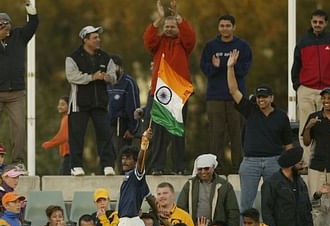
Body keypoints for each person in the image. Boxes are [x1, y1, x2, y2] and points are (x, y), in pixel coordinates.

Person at [227, 49, 293, 215]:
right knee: (246, 206)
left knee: (274, 203)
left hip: (274, 162)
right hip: (250, 163)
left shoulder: (281, 116)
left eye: (264, 97)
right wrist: (230, 68)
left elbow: (288, 144)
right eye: (258, 97)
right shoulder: (250, 110)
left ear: (271, 98)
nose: (261, 100)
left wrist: (290, 167)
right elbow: (234, 91)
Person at [0, 0, 39, 167]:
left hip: (16, 93)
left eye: (6, 23)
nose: (3, 26)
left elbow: (33, 23)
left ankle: (18, 161)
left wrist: (28, 6)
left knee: (18, 128)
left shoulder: (19, 35)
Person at [143, 0, 196, 175]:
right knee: (158, 132)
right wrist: (159, 17)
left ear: (178, 28)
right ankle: (158, 167)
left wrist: (177, 16)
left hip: (179, 93)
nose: (169, 29)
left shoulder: (183, 44)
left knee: (177, 132)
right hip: (160, 92)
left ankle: (179, 167)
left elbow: (191, 37)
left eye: (173, 26)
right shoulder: (158, 43)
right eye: (167, 26)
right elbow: (148, 39)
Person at [292, 9, 330, 166]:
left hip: (329, 90)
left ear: (326, 23)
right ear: (311, 22)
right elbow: (296, 65)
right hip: (306, 89)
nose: (317, 25)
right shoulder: (303, 41)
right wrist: (298, 86)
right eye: (315, 22)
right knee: (306, 126)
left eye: (320, 22)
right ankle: (308, 162)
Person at [200, 14, 252, 174]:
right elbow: (205, 68)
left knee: (237, 134)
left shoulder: (242, 46)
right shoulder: (210, 46)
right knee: (216, 135)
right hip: (215, 97)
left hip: (236, 97)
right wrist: (216, 67)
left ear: (233, 27)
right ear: (218, 28)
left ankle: (239, 168)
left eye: (228, 25)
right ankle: (218, 168)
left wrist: (231, 66)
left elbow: (245, 69)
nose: (225, 28)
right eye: (222, 25)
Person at [65, 25, 117, 176]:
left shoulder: (105, 57)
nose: (98, 40)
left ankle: (107, 165)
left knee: (105, 134)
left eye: (98, 37)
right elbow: (72, 76)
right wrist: (91, 77)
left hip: (100, 102)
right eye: (94, 38)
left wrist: (108, 77)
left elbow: (114, 75)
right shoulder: (73, 57)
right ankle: (75, 166)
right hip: (79, 103)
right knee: (77, 135)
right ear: (85, 40)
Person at [108, 129, 154, 226]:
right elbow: (150, 197)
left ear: (134, 162)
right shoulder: (134, 181)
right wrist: (159, 215)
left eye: (128, 158)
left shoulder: (136, 175)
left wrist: (144, 143)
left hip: (128, 222)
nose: (124, 161)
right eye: (123, 158)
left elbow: (141, 161)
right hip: (136, 224)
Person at [177, 154, 239, 226]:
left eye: (206, 169)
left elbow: (233, 211)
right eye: (200, 169)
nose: (203, 172)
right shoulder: (190, 184)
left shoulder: (224, 185)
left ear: (213, 168)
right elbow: (181, 208)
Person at [302, 86, 330, 200]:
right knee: (315, 202)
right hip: (316, 167)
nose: (326, 101)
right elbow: (306, 142)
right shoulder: (314, 117)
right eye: (324, 98)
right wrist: (308, 128)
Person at [261, 146, 313, 226]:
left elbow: (307, 208)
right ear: (291, 165)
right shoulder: (271, 183)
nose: (303, 166)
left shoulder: (300, 182)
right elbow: (266, 210)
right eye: (300, 163)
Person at [107, 54, 140, 172]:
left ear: (120, 68)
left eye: (113, 67)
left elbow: (134, 107)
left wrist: (132, 129)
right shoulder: (106, 82)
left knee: (122, 156)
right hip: (107, 124)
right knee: (108, 154)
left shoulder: (129, 82)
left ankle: (123, 179)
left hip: (122, 125)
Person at [41, 96, 71, 175]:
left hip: (69, 155)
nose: (59, 107)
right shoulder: (65, 118)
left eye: (62, 104)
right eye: (59, 104)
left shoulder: (67, 118)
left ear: (69, 105)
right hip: (66, 155)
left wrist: (49, 144)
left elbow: (63, 136)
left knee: (63, 180)